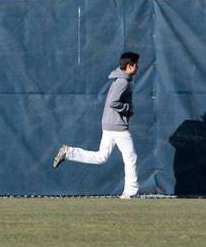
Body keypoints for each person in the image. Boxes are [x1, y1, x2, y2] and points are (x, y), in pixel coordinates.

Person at [53, 51, 140, 198]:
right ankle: (130, 192)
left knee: (101, 157)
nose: (138, 67)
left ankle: (69, 153)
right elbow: (113, 102)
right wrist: (128, 109)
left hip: (110, 124)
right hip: (117, 125)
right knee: (131, 157)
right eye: (136, 64)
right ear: (129, 66)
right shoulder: (123, 82)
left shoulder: (121, 79)